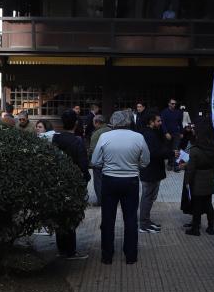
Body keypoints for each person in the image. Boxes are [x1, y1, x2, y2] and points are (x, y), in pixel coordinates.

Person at [91, 111, 150, 265]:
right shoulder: (138, 137)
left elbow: (95, 161)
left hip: (109, 180)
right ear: (129, 121)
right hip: (130, 180)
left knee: (108, 219)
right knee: (130, 219)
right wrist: (134, 165)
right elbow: (145, 161)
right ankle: (131, 256)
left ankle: (107, 256)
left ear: (113, 122)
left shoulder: (105, 137)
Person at [51, 110, 90, 260]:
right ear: (75, 123)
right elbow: (83, 165)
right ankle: (71, 251)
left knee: (60, 215)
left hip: (57, 181)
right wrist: (85, 179)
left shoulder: (56, 138)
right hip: (72, 183)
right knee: (71, 216)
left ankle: (61, 249)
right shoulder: (77, 141)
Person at [184, 118, 214, 236]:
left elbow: (191, 169)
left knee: (197, 205)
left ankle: (195, 228)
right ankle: (211, 227)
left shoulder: (195, 150)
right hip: (209, 178)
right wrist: (211, 176)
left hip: (197, 179)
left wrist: (187, 182)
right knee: (208, 204)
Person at [138, 111, 167, 234]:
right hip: (150, 171)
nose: (160, 123)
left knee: (150, 197)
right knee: (147, 197)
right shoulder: (148, 134)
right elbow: (153, 153)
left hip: (153, 171)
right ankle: (143, 224)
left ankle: (146, 221)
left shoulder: (154, 132)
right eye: (158, 121)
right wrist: (170, 154)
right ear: (151, 122)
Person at [88, 114, 111, 204]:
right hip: (110, 161)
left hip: (99, 162)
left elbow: (93, 150)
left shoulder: (96, 133)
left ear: (97, 122)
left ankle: (101, 201)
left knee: (98, 182)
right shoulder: (111, 130)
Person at [161, 98, 183, 172]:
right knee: (168, 149)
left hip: (176, 133)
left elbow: (180, 123)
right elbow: (162, 123)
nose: (174, 105)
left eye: (175, 104)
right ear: (169, 104)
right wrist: (166, 133)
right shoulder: (164, 112)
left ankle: (175, 165)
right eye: (172, 103)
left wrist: (181, 132)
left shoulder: (178, 112)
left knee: (176, 149)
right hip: (168, 133)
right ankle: (170, 164)